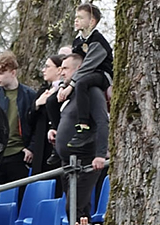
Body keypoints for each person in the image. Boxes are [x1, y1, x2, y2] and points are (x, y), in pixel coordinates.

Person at [53, 51, 108, 221]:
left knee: (75, 207)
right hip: (68, 161)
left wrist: (100, 154)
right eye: (60, 68)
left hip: (85, 161)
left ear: (79, 69)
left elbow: (102, 121)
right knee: (79, 209)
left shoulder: (92, 91)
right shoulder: (70, 94)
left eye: (66, 68)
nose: (62, 72)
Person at [59, 3, 114, 149]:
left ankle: (84, 126)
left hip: (101, 74)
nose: (76, 20)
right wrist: (63, 85)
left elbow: (87, 66)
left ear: (92, 21)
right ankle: (57, 134)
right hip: (83, 75)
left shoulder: (97, 41)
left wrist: (71, 86)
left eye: (80, 17)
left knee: (82, 83)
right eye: (75, 17)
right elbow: (74, 64)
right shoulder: (77, 42)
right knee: (52, 100)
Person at [0, 51, 36, 187]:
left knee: (21, 193)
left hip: (19, 154)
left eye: (1, 73)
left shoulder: (30, 95)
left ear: (13, 72)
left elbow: (36, 124)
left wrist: (31, 148)